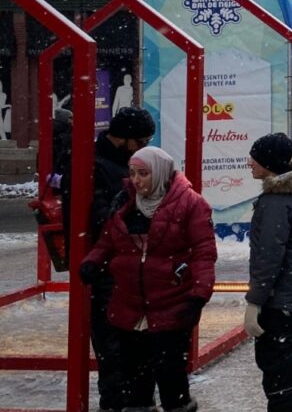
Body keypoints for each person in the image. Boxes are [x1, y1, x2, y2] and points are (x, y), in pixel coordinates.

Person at [79, 147, 215, 412]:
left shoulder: (191, 203)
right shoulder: (124, 202)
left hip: (170, 302)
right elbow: (108, 240)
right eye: (132, 173)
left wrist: (199, 294)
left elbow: (204, 253)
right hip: (129, 304)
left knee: (170, 376)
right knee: (134, 379)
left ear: (161, 173)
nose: (136, 180)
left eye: (143, 173)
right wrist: (92, 261)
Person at [85, 105, 156, 412]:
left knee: (137, 350)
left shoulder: (121, 165)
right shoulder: (97, 167)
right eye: (141, 141)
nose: (144, 148)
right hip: (108, 272)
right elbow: (102, 222)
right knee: (115, 354)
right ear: (125, 138)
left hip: (128, 270)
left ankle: (135, 403)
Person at [245, 133, 292, 412]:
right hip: (291, 296)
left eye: (255, 157)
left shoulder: (275, 203)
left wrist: (255, 301)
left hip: (279, 299)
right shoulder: (289, 197)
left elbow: (268, 258)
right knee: (290, 355)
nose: (249, 162)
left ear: (269, 163)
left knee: (276, 363)